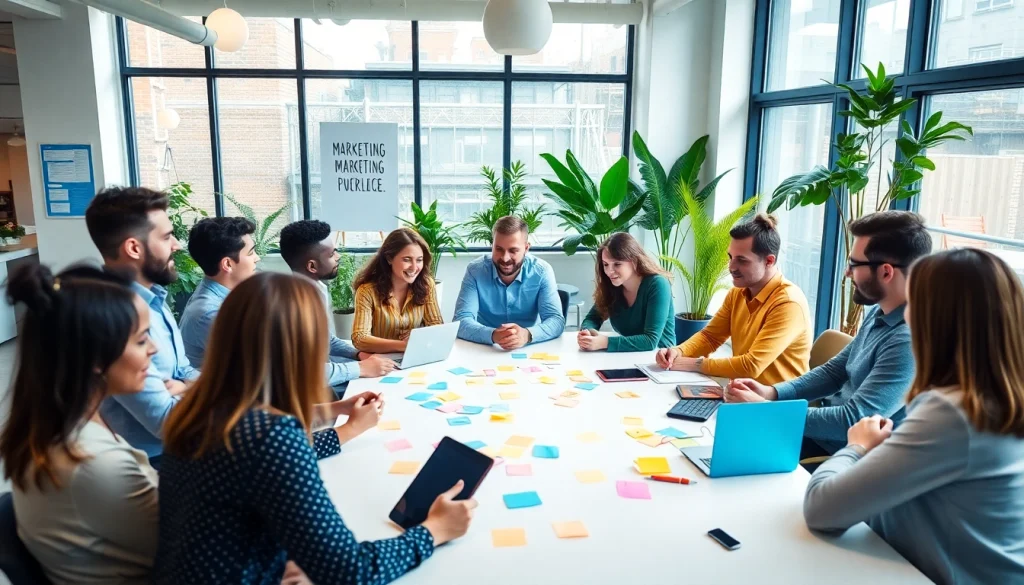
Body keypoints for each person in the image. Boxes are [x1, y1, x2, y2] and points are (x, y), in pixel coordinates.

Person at [154, 272, 476, 585]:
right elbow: (350, 571)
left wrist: (279, 559)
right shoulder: (271, 436)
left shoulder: (200, 409)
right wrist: (434, 530)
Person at [803, 248, 1024, 585]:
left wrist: (856, 447)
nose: (906, 314)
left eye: (915, 303)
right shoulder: (992, 399)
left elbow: (821, 509)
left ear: (938, 319)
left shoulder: (952, 413)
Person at [724, 211, 932, 457]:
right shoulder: (881, 312)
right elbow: (833, 372)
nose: (847, 273)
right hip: (818, 437)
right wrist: (772, 393)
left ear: (886, 272)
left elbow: (853, 420)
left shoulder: (909, 340)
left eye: (854, 264)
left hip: (844, 456)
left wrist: (766, 409)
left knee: (732, 454)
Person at [0, 264, 159, 585]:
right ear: (96, 358)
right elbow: (187, 548)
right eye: (142, 340)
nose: (153, 349)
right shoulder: (93, 462)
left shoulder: (57, 424)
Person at [85, 186, 198, 462]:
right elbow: (166, 421)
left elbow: (183, 371)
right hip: (155, 462)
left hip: (184, 446)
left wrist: (188, 388)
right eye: (167, 237)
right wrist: (227, 391)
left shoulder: (154, 299)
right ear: (134, 248)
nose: (177, 245)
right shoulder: (114, 318)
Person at [655, 214, 812, 385]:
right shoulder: (738, 292)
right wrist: (678, 351)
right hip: (741, 394)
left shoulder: (788, 303)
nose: (731, 267)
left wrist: (693, 364)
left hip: (779, 400)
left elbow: (751, 365)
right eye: (731, 257)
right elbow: (710, 337)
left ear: (769, 261)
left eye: (742, 260)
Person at [279, 219, 397, 381]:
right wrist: (361, 368)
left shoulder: (317, 289)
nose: (338, 256)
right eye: (331, 254)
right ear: (312, 266)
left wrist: (359, 354)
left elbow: (326, 340)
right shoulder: (292, 308)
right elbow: (304, 372)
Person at [453, 216, 565, 350]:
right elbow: (461, 321)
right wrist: (493, 334)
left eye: (513, 251)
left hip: (529, 347)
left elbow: (556, 321)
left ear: (526, 248)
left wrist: (527, 335)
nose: (505, 258)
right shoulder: (475, 271)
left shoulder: (542, 271)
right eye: (499, 249)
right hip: (485, 348)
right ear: (492, 246)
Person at [179, 216, 259, 367]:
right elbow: (258, 363)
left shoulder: (228, 295)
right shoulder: (209, 314)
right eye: (251, 253)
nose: (257, 258)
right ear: (227, 264)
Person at [351, 227, 444, 353]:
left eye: (419, 260)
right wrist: (404, 345)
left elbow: (437, 326)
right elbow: (359, 338)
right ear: (389, 258)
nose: (414, 267)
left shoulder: (427, 285)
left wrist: (418, 334)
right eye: (407, 259)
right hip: (380, 359)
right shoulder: (367, 291)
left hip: (416, 356)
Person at [577, 232, 674, 352]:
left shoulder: (658, 284)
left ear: (634, 261)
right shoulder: (613, 286)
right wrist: (588, 333)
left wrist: (604, 342)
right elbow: (592, 318)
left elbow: (650, 340)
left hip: (660, 358)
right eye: (606, 264)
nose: (609, 271)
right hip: (628, 356)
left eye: (617, 264)